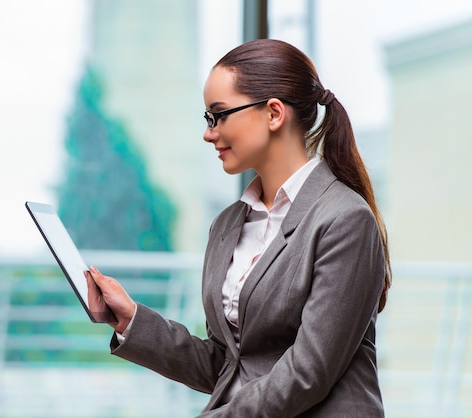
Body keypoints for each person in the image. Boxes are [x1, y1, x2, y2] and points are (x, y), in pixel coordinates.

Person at [85, 38, 392, 417]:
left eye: (219, 114)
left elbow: (308, 373)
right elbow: (230, 367)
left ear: (274, 113)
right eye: (207, 118)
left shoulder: (345, 219)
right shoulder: (229, 224)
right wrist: (132, 319)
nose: (209, 132)